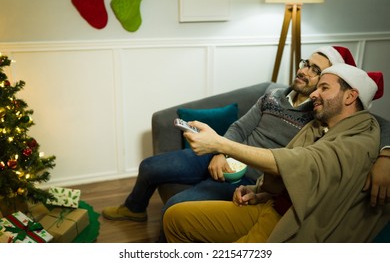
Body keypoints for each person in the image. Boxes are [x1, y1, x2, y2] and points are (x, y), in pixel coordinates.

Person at [102, 46, 390, 224]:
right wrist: (219, 152)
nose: (304, 71)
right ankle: (134, 209)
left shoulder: (321, 113)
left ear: (327, 84)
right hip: (226, 153)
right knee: (150, 166)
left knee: (176, 208)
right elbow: (240, 128)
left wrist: (387, 155)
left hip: (252, 177)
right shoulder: (274, 96)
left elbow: (375, 123)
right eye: (306, 63)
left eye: (316, 71)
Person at [163, 63, 389, 242]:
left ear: (350, 96)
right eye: (317, 86)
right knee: (175, 217)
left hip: (290, 223)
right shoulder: (317, 125)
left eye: (324, 88)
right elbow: (291, 178)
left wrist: (220, 144)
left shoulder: (358, 140)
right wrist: (260, 192)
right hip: (269, 205)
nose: (314, 94)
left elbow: (299, 162)